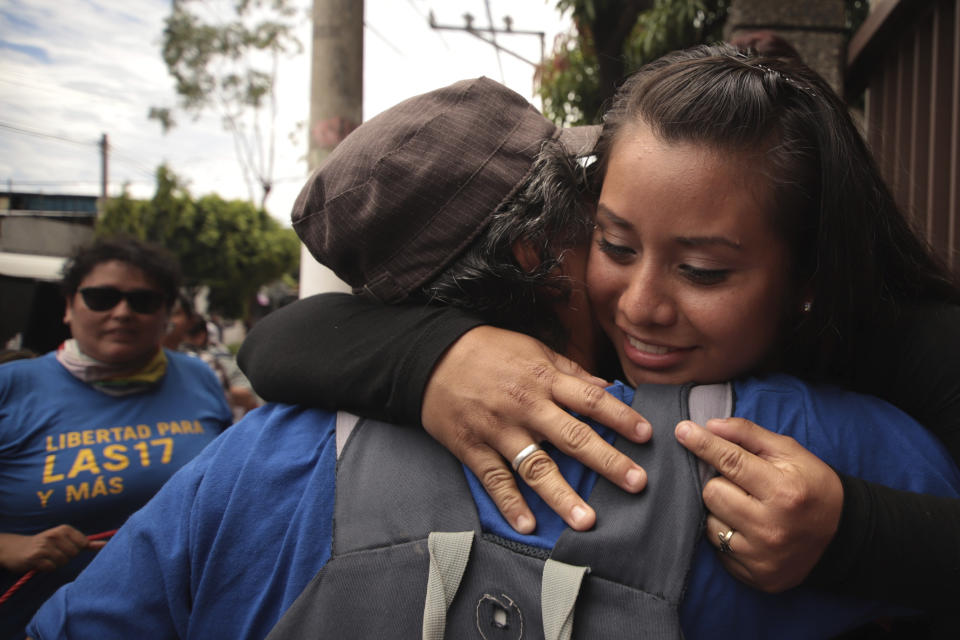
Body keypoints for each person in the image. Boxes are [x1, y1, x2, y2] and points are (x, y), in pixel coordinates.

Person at [29, 75, 960, 639]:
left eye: (703, 264)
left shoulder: (251, 460)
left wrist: (858, 535)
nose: (641, 301)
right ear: (536, 254)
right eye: (614, 238)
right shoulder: (782, 440)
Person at [0, 236, 233, 639]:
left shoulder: (198, 378)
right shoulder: (11, 388)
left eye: (143, 302)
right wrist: (9, 547)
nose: (122, 312)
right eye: (101, 297)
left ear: (166, 316)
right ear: (69, 307)